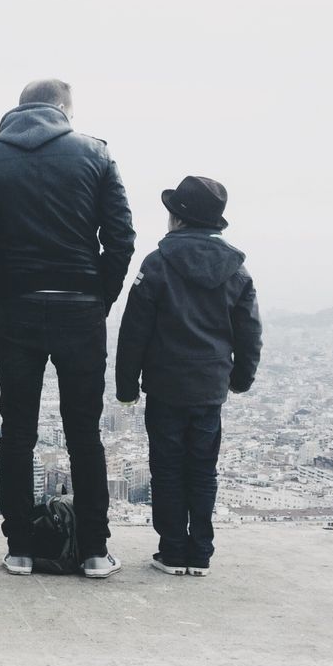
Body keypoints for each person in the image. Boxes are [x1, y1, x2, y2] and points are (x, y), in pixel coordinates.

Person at [0, 79, 135, 579]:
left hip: (17, 307)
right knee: (85, 434)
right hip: (81, 308)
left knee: (16, 433)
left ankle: (19, 549)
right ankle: (96, 551)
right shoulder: (96, 155)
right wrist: (99, 296)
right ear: (63, 109)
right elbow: (121, 237)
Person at [115, 175, 262, 577]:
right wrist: (241, 378)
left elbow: (134, 330)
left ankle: (172, 550)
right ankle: (200, 553)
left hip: (165, 385)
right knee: (202, 470)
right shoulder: (236, 269)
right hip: (209, 388)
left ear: (177, 218)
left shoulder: (158, 263)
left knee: (166, 469)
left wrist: (126, 386)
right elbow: (249, 330)